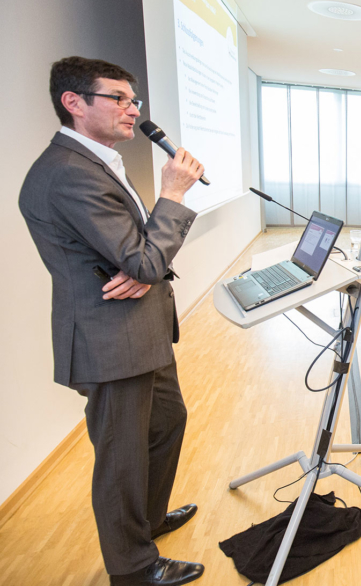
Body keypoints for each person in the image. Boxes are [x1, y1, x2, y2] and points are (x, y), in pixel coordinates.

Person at [19, 57, 206, 584]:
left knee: (167, 422)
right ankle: (133, 567)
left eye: (134, 100)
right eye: (118, 99)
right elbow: (142, 259)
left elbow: (137, 254)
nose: (133, 110)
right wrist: (172, 195)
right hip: (111, 339)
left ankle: (147, 521)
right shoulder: (67, 172)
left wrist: (145, 267)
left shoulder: (96, 162)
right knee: (121, 460)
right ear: (73, 103)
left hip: (140, 329)